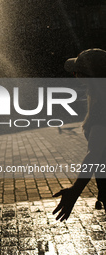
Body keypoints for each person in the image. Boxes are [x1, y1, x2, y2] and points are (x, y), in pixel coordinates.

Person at [52, 48, 106, 221]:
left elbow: (95, 153)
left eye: (78, 73)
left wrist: (75, 191)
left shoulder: (100, 108)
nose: (75, 76)